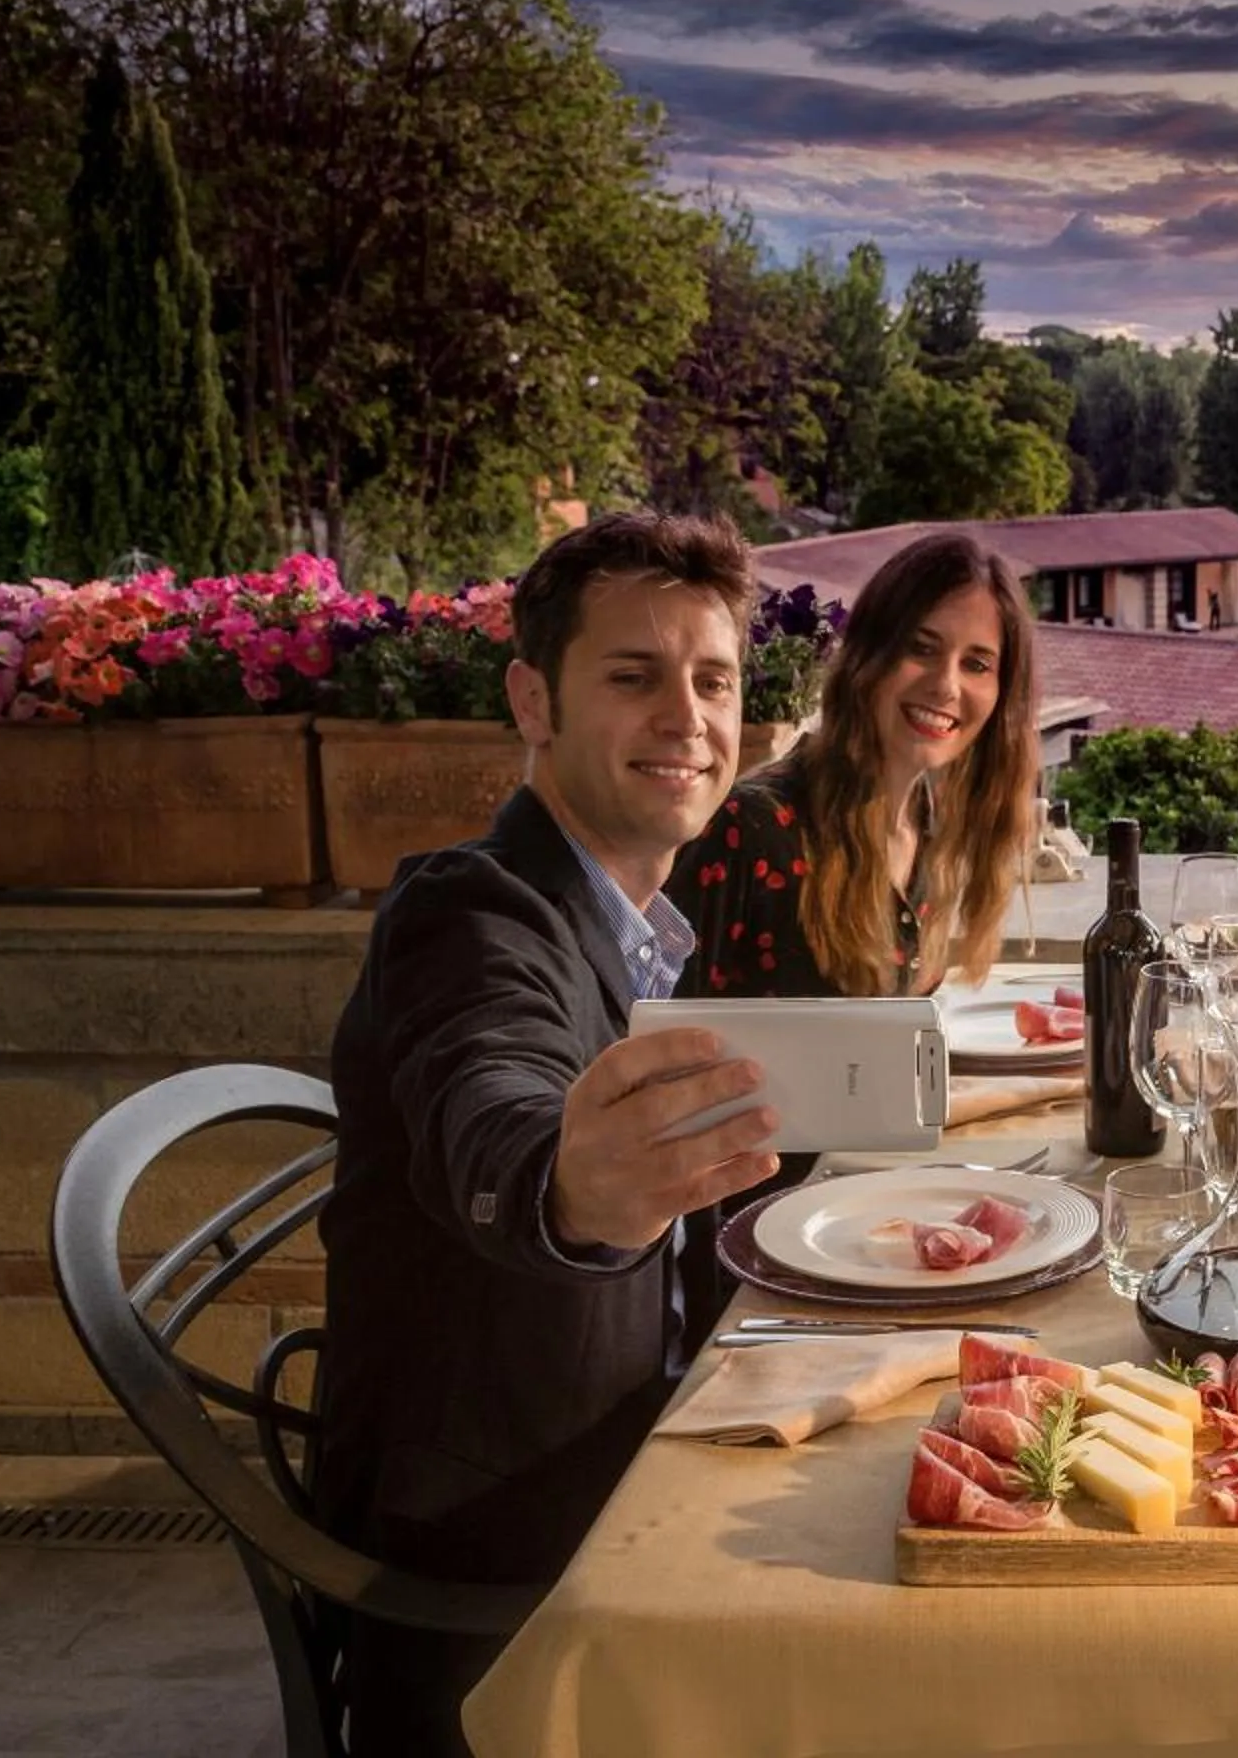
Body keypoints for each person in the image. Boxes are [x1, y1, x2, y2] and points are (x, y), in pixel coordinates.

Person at [318, 513, 808, 1756]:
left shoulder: (631, 917)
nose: (687, 720)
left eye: (713, 681)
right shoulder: (469, 914)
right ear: (532, 698)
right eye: (632, 677)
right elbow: (496, 1105)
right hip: (510, 1560)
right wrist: (570, 1191)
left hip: (618, 1466)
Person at [666, 529, 1039, 1000]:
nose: (946, 685)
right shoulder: (750, 828)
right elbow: (653, 1027)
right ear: (868, 658)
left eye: (977, 665)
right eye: (921, 648)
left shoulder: (931, 823)